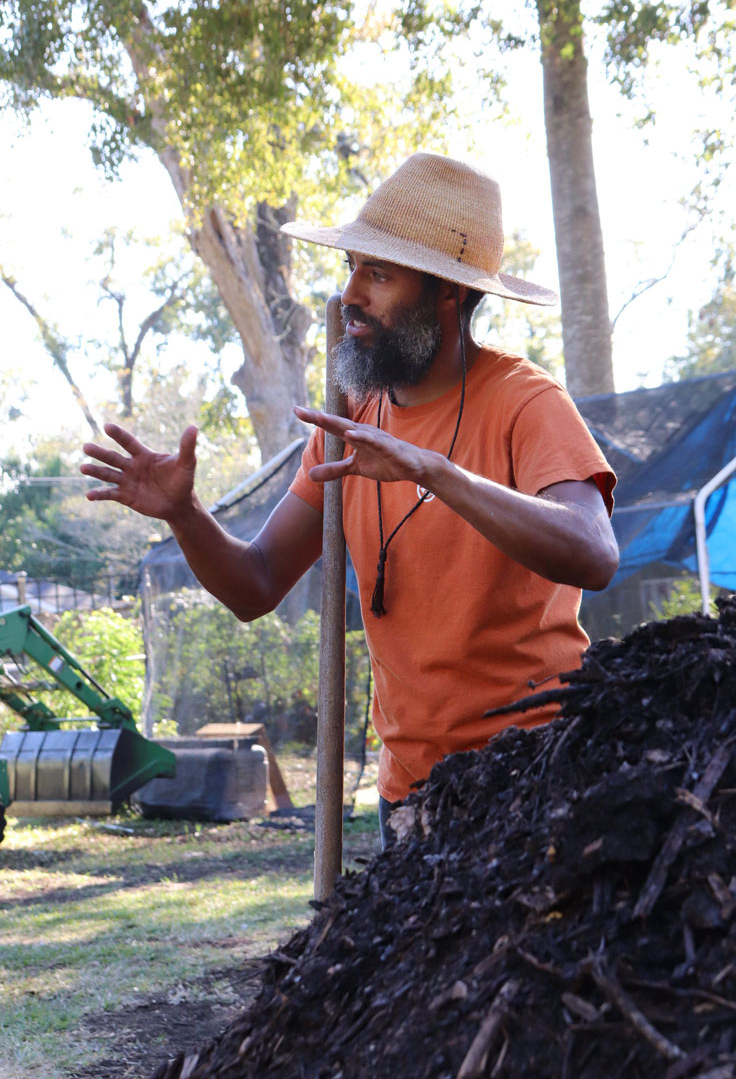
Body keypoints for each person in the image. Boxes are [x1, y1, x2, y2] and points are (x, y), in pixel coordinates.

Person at [81, 152, 619, 847]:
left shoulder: (526, 403)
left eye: (380, 273)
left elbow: (594, 553)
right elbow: (257, 584)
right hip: (411, 793)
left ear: (448, 293)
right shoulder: (350, 422)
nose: (351, 295)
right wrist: (185, 515)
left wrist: (433, 471)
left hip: (531, 776)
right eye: (353, 267)